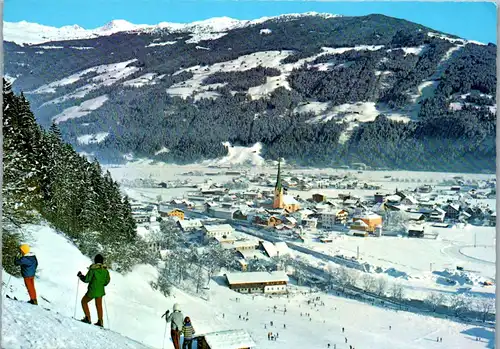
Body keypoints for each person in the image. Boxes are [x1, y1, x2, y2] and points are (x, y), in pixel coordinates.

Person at [77, 254, 111, 327]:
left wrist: (80, 276)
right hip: (100, 291)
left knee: (84, 301)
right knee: (99, 305)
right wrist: (102, 284)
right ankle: (100, 321)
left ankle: (88, 318)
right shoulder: (105, 270)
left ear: (95, 261)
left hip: (92, 290)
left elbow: (87, 280)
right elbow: (107, 281)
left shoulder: (93, 269)